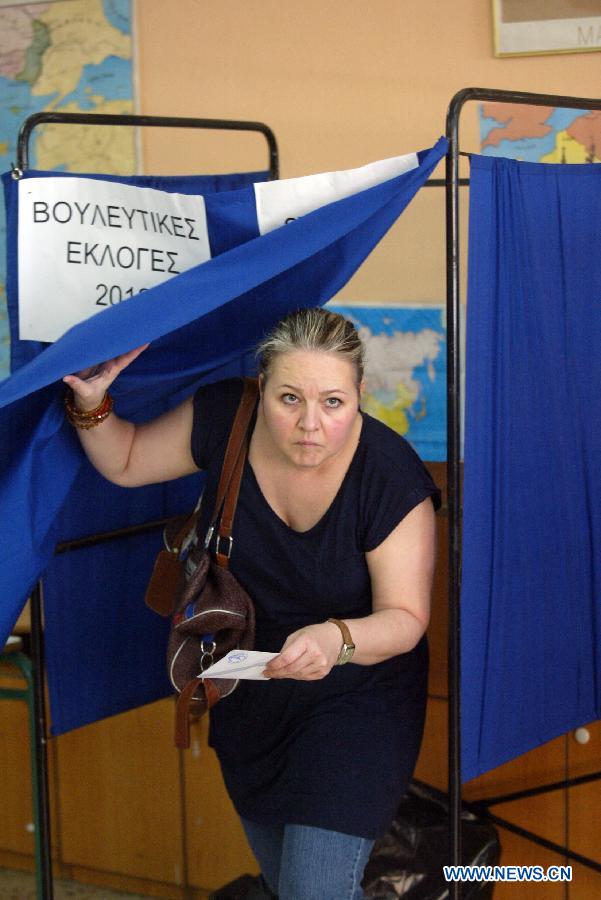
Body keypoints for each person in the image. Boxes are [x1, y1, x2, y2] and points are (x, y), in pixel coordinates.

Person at [63, 307, 439, 900]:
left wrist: (335, 639)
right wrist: (92, 402)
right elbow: (129, 458)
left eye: (333, 403)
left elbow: (407, 618)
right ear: (262, 386)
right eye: (289, 398)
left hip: (355, 695)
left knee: (314, 891)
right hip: (251, 687)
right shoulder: (226, 418)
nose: (310, 424)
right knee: (286, 885)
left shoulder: (390, 478)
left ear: (361, 394)